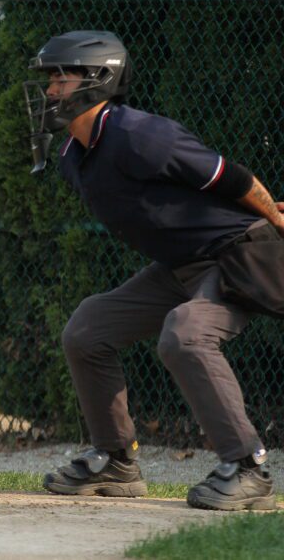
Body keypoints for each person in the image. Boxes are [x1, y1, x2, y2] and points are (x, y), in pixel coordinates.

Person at [24, 30, 283, 512]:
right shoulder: (72, 155)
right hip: (181, 266)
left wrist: (277, 219)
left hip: (236, 255)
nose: (50, 89)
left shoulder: (140, 136)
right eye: (50, 79)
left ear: (98, 80)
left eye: (61, 78)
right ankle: (116, 461)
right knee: (87, 329)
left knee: (185, 334)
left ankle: (248, 469)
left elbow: (231, 177)